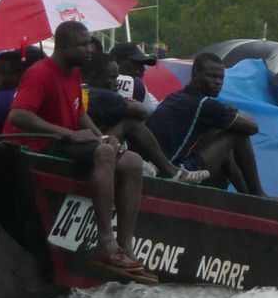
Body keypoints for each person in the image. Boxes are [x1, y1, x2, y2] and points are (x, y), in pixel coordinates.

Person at [3, 21, 155, 281]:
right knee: (105, 154)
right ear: (62, 47)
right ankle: (105, 243)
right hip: (38, 147)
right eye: (82, 44)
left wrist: (102, 136)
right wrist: (70, 134)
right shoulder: (39, 74)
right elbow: (18, 115)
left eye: (88, 43)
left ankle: (124, 246)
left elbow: (79, 112)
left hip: (67, 143)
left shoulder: (74, 73)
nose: (89, 49)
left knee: (132, 161)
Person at [145, 52, 265, 195]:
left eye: (221, 78)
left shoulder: (173, 97)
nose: (218, 82)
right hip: (175, 172)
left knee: (219, 133)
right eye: (212, 76)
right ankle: (258, 193)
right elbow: (253, 127)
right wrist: (235, 114)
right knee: (238, 132)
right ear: (195, 75)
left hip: (157, 169)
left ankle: (246, 195)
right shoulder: (203, 104)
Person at [83, 52, 208, 184]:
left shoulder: (81, 90)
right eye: (112, 78)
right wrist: (124, 101)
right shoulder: (104, 95)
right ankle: (171, 171)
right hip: (95, 147)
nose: (116, 84)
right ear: (93, 77)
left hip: (90, 141)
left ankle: (158, 166)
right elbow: (142, 111)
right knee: (131, 122)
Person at [110, 41, 159, 111]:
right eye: (136, 64)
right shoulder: (137, 86)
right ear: (117, 63)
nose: (143, 69)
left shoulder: (148, 95)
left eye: (142, 64)